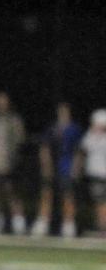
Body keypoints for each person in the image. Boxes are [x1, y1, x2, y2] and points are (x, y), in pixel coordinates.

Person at [35, 102, 83, 238]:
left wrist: (76, 168)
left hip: (66, 166)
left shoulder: (75, 129)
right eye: (61, 111)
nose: (63, 113)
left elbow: (78, 151)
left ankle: (69, 224)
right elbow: (44, 148)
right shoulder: (52, 128)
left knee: (68, 195)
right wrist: (46, 166)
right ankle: (43, 221)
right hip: (52, 166)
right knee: (47, 193)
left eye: (65, 111)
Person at [0, 91, 27, 234]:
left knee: (13, 193)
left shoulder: (14, 120)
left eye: (3, 101)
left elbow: (20, 140)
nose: (0, 104)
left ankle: (18, 222)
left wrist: (13, 159)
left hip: (9, 163)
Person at [76, 108, 106, 237]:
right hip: (94, 174)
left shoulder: (100, 137)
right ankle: (100, 226)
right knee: (98, 202)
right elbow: (82, 151)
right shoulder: (91, 135)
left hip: (101, 174)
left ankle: (102, 228)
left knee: (101, 202)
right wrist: (78, 168)